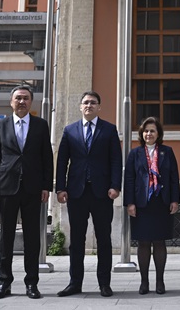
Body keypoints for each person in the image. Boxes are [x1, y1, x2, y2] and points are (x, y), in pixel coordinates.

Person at [0, 85, 53, 300]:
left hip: (33, 189)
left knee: (32, 238)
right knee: (6, 237)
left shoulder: (41, 126)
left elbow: (47, 158)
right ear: (11, 102)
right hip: (7, 188)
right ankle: (4, 282)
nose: (22, 102)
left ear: (31, 102)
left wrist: (46, 187)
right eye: (18, 98)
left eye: (25, 98)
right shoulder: (1, 126)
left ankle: (32, 283)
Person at [55, 90, 122, 298]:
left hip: (102, 193)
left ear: (99, 107)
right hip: (77, 193)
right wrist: (60, 188)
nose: (89, 106)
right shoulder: (70, 130)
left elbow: (116, 161)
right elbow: (62, 161)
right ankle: (75, 283)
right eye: (85, 102)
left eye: (93, 102)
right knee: (77, 240)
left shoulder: (109, 130)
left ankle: (104, 283)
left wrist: (115, 186)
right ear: (80, 106)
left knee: (104, 239)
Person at [124, 117, 180, 295]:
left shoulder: (167, 152)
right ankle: (144, 282)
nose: (149, 134)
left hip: (161, 201)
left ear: (158, 134)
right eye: (146, 131)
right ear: (141, 133)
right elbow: (130, 179)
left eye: (152, 131)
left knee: (159, 241)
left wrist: (175, 200)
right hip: (142, 203)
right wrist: (130, 203)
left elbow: (173, 177)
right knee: (143, 242)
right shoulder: (135, 153)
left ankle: (160, 281)